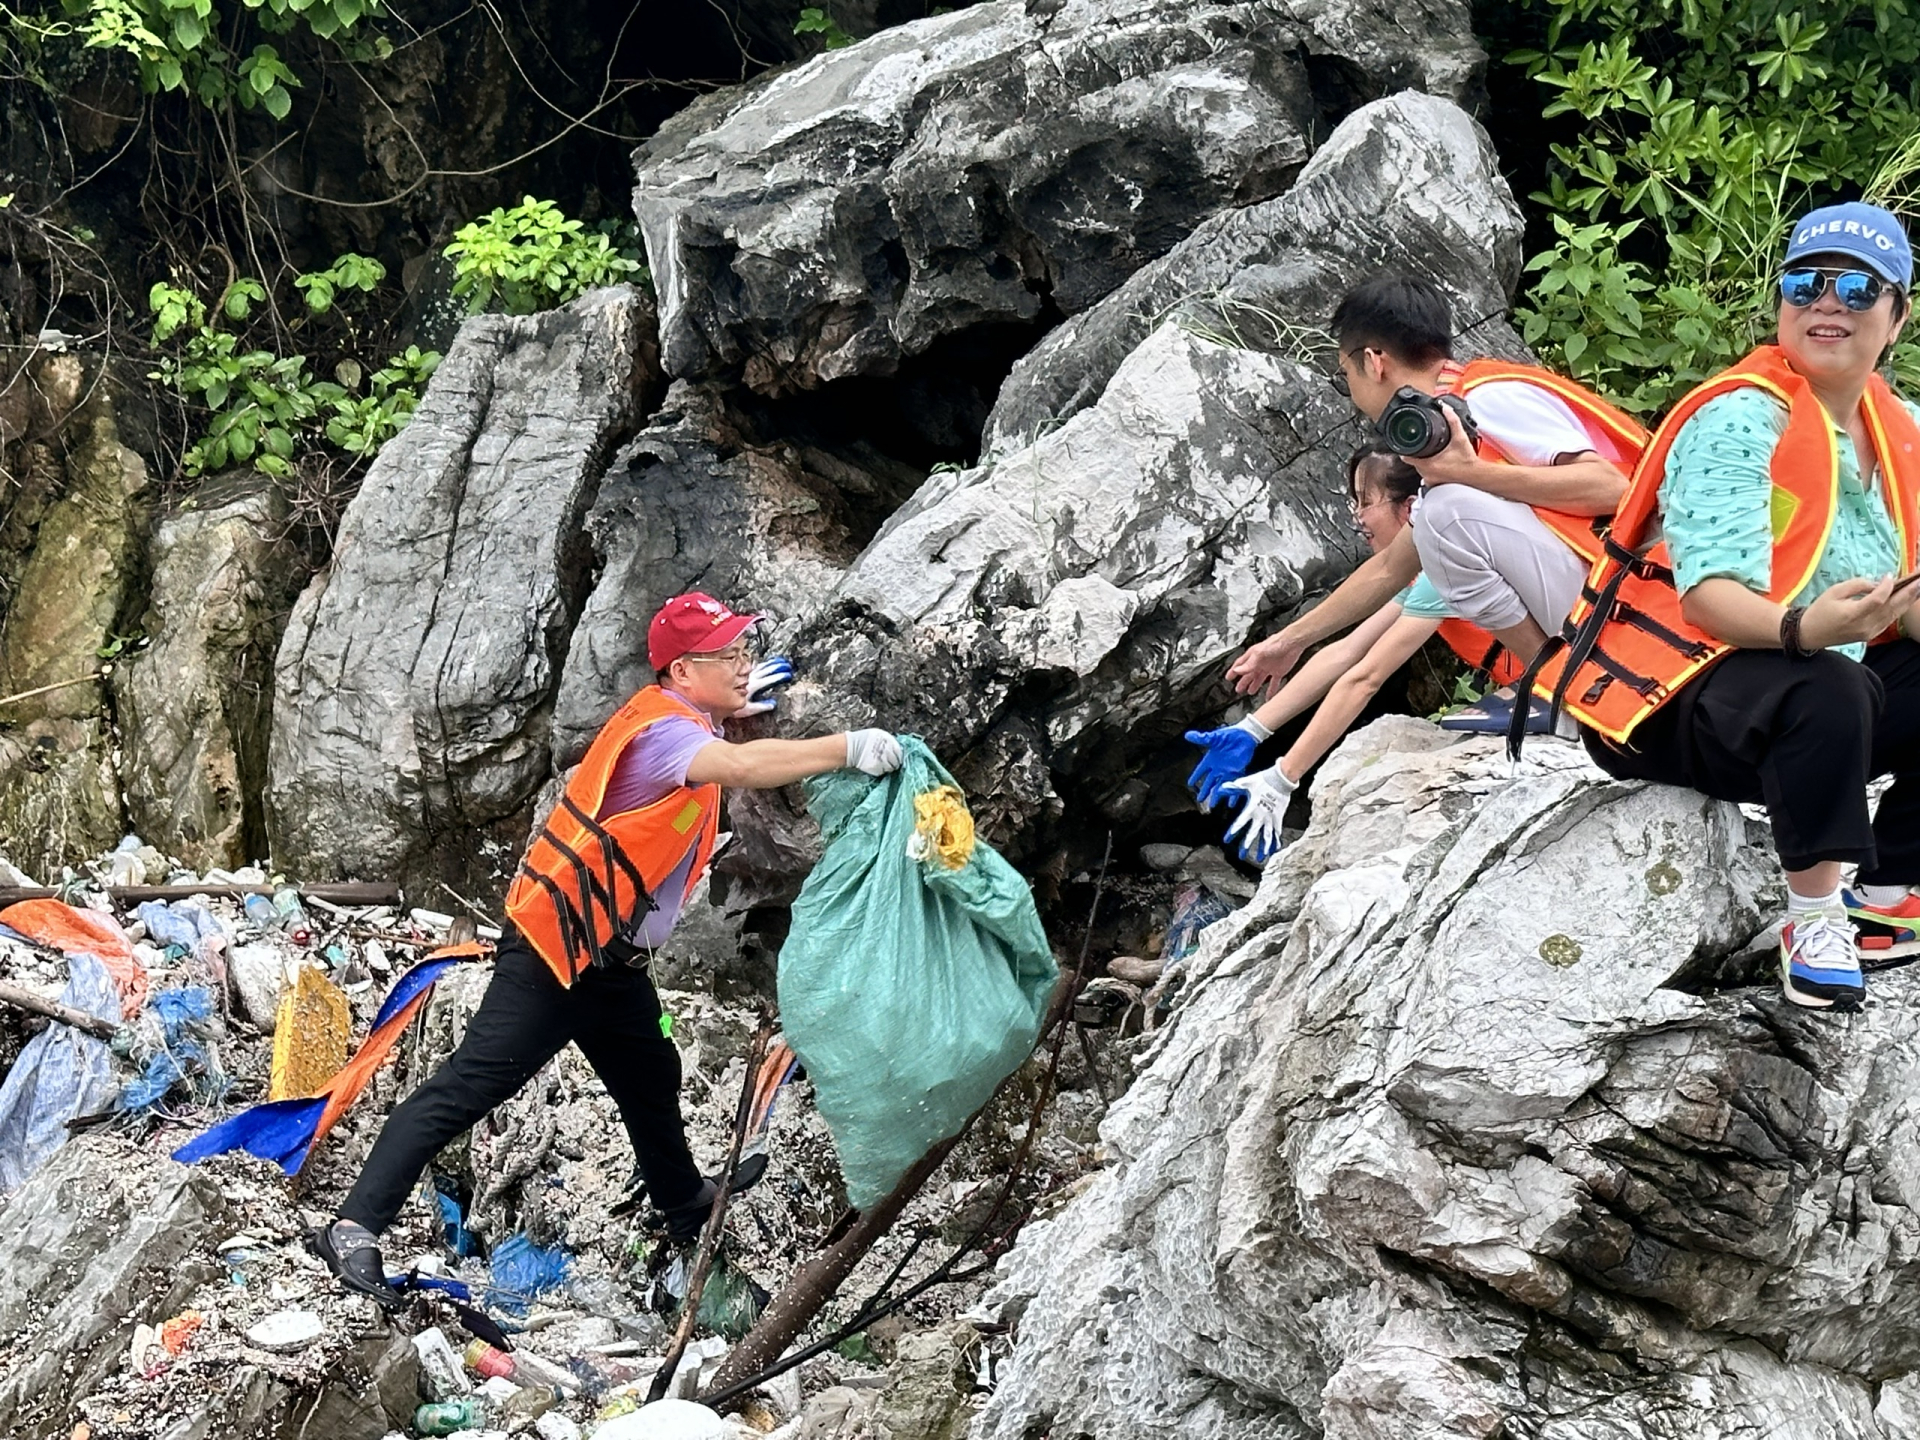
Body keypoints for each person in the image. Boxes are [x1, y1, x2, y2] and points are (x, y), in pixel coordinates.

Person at [311, 592, 906, 1304]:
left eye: (745, 651)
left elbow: (711, 744)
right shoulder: (667, 735)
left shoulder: (678, 715)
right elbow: (738, 770)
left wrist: (728, 707)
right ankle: (354, 1226)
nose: (743, 664)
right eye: (729, 656)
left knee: (653, 1070)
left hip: (611, 962)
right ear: (683, 670)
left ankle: (684, 1202)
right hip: (557, 953)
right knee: (471, 1084)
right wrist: (846, 749)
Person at [1528, 202, 1920, 1011]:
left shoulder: (1904, 430)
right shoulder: (1738, 417)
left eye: (1856, 289)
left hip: (1819, 685)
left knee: (1842, 680)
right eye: (1805, 284)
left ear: (1897, 316)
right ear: (1780, 302)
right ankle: (1812, 920)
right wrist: (1809, 627)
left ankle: (1888, 893)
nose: (1827, 304)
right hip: (1676, 703)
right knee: (1827, 683)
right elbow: (1708, 600)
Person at [1215, 274, 1646, 739]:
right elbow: (1389, 570)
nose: (1354, 396)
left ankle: (1556, 688)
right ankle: (1555, 681)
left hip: (1633, 590)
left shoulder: (1487, 397)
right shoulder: (1445, 420)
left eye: (1346, 378)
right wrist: (1288, 642)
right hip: (1604, 590)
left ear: (1374, 362)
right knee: (1440, 516)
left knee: (1444, 512)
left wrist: (1470, 474)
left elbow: (1612, 488)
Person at [1187, 447, 1523, 860]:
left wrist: (1283, 777)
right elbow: (1348, 651)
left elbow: (1366, 678)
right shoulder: (1426, 566)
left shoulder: (1452, 560)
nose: (1356, 516)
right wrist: (1253, 730)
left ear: (1410, 505)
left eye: (1366, 501)